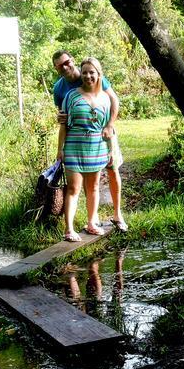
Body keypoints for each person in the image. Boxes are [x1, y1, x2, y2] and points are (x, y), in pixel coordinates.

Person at [52, 50, 127, 232]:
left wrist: (110, 125)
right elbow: (63, 115)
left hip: (103, 131)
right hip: (78, 139)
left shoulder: (91, 73)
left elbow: (113, 100)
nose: (65, 66)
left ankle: (117, 215)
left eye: (67, 62)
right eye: (60, 65)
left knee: (112, 167)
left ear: (73, 60)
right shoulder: (59, 89)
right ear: (56, 68)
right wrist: (60, 118)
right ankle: (91, 221)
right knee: (79, 182)